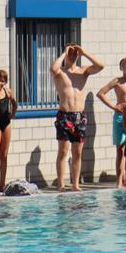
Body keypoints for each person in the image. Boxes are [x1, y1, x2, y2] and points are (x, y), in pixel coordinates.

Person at [51, 45, 104, 191]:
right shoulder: (60, 72)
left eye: (75, 54)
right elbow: (53, 68)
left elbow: (100, 66)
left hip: (79, 116)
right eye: (71, 53)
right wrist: (63, 53)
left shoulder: (83, 71)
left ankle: (75, 184)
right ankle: (61, 184)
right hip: (64, 115)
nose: (73, 56)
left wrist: (84, 52)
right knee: (63, 151)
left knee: (77, 152)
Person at [96, 56, 126, 188]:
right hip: (120, 117)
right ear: (122, 68)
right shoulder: (117, 81)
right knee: (120, 149)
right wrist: (114, 106)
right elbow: (100, 93)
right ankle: (119, 181)